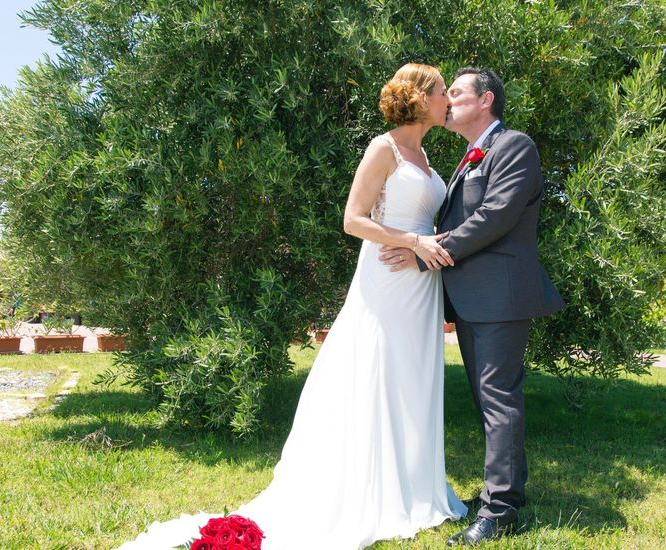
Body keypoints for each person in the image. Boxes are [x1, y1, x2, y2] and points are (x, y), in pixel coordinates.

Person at [118, 63, 467, 549]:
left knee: (413, 378)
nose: (448, 99)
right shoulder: (382, 148)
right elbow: (352, 219)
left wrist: (425, 247)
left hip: (420, 282)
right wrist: (410, 239)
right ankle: (372, 489)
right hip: (387, 277)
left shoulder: (426, 154)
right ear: (419, 97)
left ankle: (413, 485)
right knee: (379, 372)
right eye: (440, 91)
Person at [380, 67, 565, 545]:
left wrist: (426, 255)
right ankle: (507, 497)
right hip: (471, 300)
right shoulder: (468, 155)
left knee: (498, 399)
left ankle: (499, 510)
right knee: (490, 400)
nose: (449, 99)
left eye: (456, 92)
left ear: (486, 101)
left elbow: (495, 216)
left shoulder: (514, 146)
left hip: (500, 298)